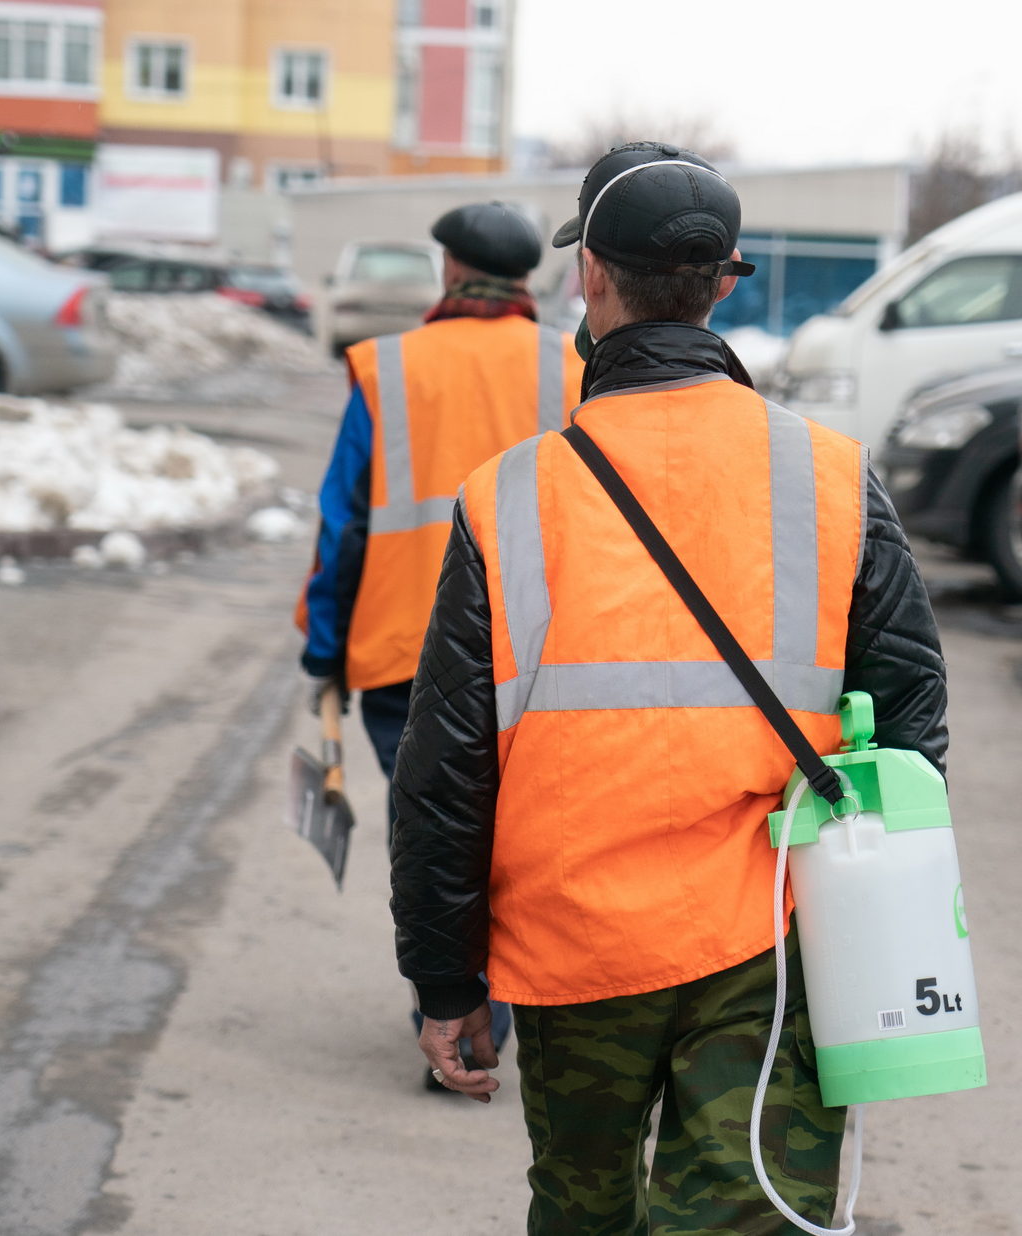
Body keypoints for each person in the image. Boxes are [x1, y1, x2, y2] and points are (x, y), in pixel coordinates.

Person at [389, 142, 949, 1234]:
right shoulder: (832, 474)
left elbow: (445, 767)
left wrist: (445, 982)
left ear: (591, 277)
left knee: (583, 1210)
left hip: (574, 944)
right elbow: (912, 721)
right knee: (752, 1216)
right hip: (772, 941)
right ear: (725, 277)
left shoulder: (511, 498)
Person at [296, 200, 585, 1086]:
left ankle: (455, 1017)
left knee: (438, 834)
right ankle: (503, 1007)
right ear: (529, 279)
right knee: (515, 835)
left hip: (404, 655)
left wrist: (324, 647)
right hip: (540, 654)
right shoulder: (576, 366)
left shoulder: (389, 368)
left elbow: (344, 521)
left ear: (450, 271)